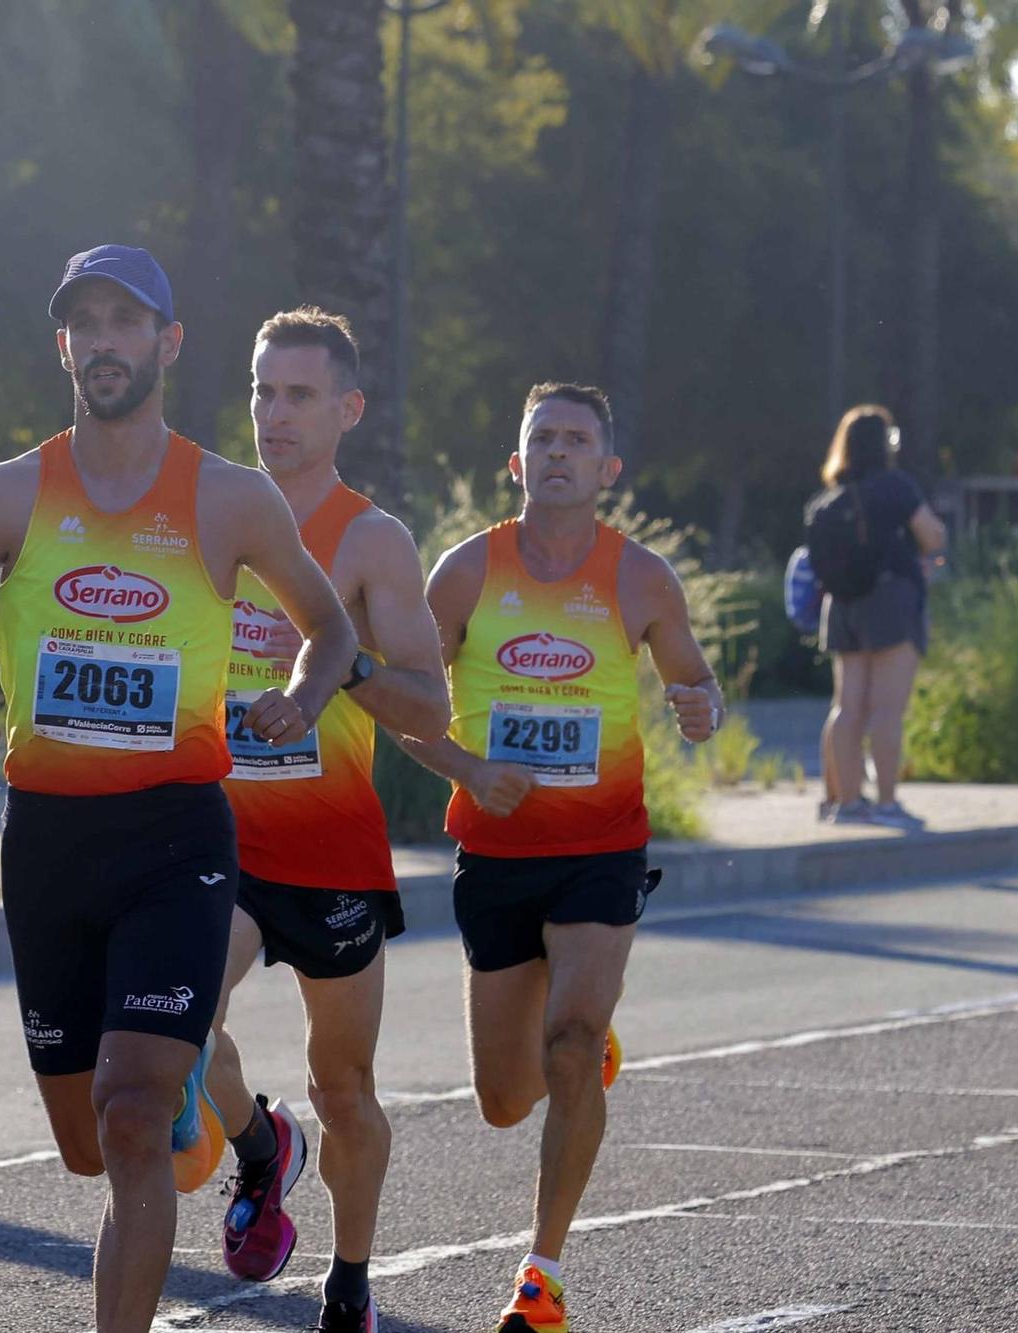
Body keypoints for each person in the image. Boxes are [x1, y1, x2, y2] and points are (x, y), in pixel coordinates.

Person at [0, 246, 356, 1333]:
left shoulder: (227, 498)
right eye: (83, 322)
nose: (102, 339)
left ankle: (178, 1116)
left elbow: (328, 628)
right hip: (45, 840)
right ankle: (253, 1138)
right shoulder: (8, 493)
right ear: (63, 346)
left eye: (125, 321)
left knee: (131, 1118)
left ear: (166, 343)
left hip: (173, 835)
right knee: (90, 1141)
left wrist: (299, 695)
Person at [401, 383, 723, 1333]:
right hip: (495, 853)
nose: (557, 452)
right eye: (541, 438)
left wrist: (702, 709)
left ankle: (541, 1278)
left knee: (572, 1047)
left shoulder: (641, 579)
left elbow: (694, 685)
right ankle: (575, 1046)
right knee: (504, 1099)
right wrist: (467, 764)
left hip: (602, 848)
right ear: (517, 462)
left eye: (577, 440)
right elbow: (404, 707)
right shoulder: (463, 573)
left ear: (607, 469)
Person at [204, 307, 450, 1333]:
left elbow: (428, 706)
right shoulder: (207, 512)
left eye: (298, 394)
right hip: (214, 838)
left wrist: (339, 666)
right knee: (173, 1025)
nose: (274, 413)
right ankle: (260, 1148)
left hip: (330, 849)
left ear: (346, 409)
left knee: (343, 1085)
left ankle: (348, 1280)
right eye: (262, 390)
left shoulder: (370, 538)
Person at [810, 404, 947, 829]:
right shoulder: (896, 486)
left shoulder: (829, 497)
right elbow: (934, 536)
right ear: (884, 444)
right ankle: (887, 803)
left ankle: (844, 802)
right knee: (888, 709)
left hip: (841, 604)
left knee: (846, 707)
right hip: (890, 601)